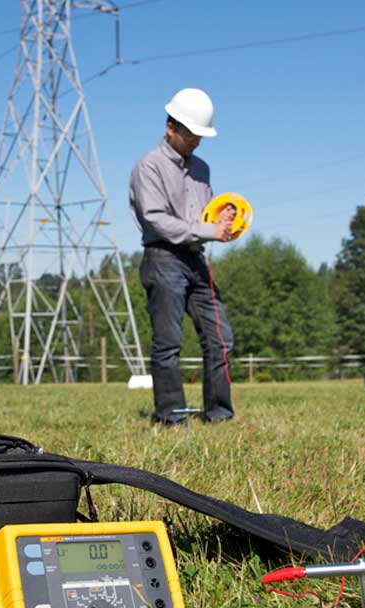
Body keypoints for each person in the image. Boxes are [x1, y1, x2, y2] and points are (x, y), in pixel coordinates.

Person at [129, 87, 236, 426]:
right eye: (192, 134)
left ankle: (219, 415)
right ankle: (171, 419)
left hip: (196, 259)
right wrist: (208, 231)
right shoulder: (148, 167)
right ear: (171, 127)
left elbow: (205, 215)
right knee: (169, 343)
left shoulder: (202, 168)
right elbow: (157, 220)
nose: (197, 142)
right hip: (163, 258)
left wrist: (225, 216)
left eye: (201, 136)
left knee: (221, 338)